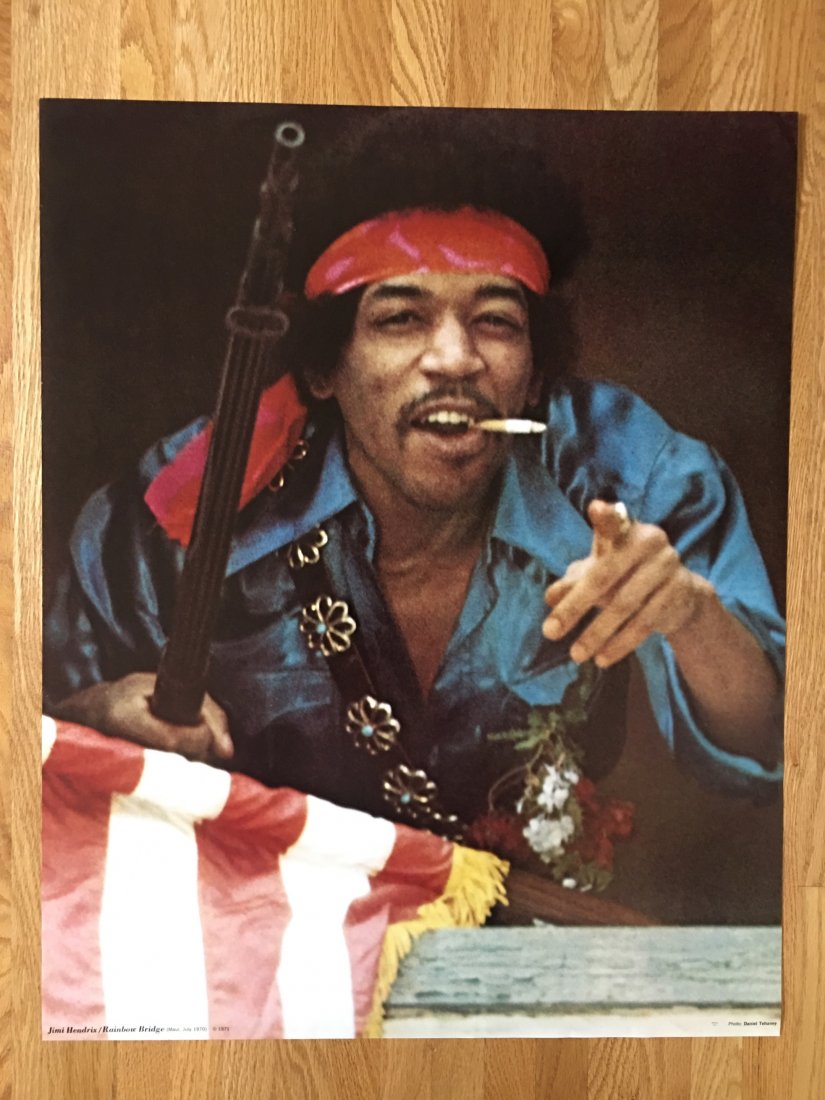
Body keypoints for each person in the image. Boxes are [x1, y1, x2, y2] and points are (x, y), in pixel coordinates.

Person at [44, 111, 784, 846]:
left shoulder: (623, 470)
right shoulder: (187, 500)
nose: (455, 359)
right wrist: (91, 718)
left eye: (495, 321)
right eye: (401, 319)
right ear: (323, 368)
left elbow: (770, 737)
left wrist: (690, 615)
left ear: (535, 375)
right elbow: (36, 749)